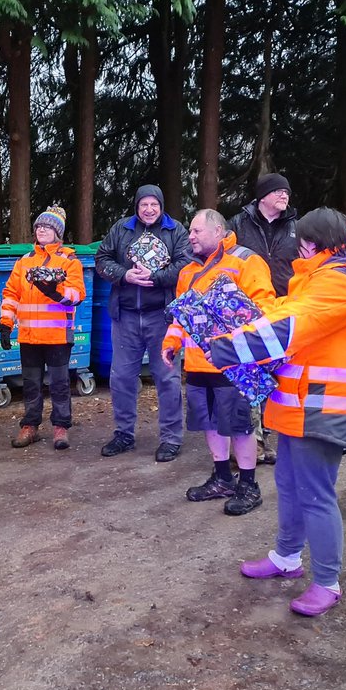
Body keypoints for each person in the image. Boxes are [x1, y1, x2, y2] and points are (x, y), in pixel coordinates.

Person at [211, 208, 346, 617]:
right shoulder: (320, 280)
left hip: (322, 408)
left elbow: (290, 326)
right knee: (288, 484)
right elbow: (280, 312)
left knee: (316, 495)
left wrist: (227, 347)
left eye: (300, 241)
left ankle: (327, 581)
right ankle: (287, 557)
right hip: (300, 405)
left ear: (312, 243)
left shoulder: (343, 284)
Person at [162, 210, 276, 515]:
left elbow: (263, 308)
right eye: (190, 231)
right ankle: (223, 477)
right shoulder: (187, 271)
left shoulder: (246, 261)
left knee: (239, 425)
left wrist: (240, 344)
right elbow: (180, 316)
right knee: (209, 424)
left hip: (233, 364)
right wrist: (171, 343)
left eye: (197, 231)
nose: (191, 236)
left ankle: (249, 485)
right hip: (198, 364)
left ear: (218, 231)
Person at [95, 185, 193, 461]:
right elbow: (101, 260)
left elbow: (185, 266)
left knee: (168, 379)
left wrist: (156, 276)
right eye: (143, 205)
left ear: (161, 206)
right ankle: (124, 433)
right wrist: (125, 276)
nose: (149, 209)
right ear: (136, 207)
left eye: (154, 204)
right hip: (125, 315)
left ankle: (171, 438)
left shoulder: (176, 231)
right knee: (122, 378)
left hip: (161, 316)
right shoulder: (121, 229)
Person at [0, 207, 86, 450]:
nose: (42, 230)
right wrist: (6, 323)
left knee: (59, 384)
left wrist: (54, 292)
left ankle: (60, 428)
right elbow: (11, 294)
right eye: (39, 226)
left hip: (58, 335)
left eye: (48, 227)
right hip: (28, 336)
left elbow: (77, 294)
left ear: (58, 232)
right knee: (31, 384)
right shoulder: (24, 261)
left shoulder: (69, 261)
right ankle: (30, 426)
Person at [229, 172, 300, 466]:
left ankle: (266, 436)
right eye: (278, 191)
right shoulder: (238, 224)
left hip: (283, 308)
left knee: (276, 377)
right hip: (245, 311)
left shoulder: (297, 226)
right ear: (263, 196)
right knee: (248, 377)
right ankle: (249, 441)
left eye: (287, 192)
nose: (284, 196)